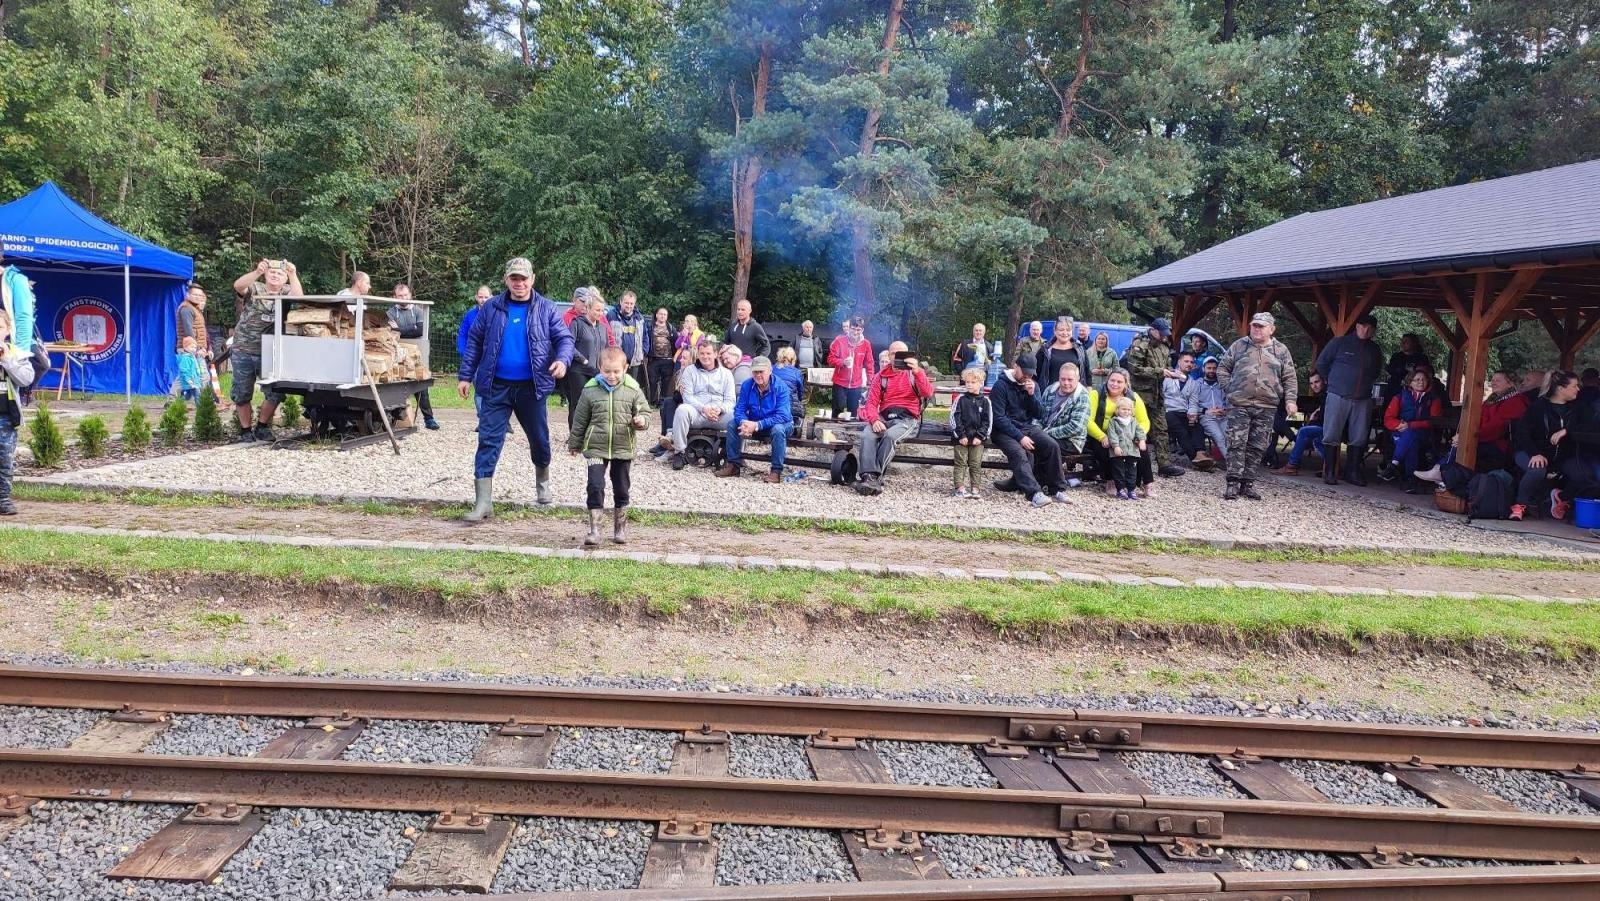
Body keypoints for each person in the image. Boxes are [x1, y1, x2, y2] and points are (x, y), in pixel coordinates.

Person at [457, 257, 573, 521]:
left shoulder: (546, 308)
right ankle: (483, 502)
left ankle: (543, 484)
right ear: (506, 280)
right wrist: (465, 376)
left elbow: (564, 339)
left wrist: (562, 360)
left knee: (539, 439)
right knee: (488, 440)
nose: (519, 283)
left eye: (523, 278)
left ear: (532, 279)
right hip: (496, 386)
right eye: (514, 278)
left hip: (532, 388)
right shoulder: (491, 308)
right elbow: (474, 341)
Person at [569, 346, 650, 545]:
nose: (611, 376)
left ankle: (620, 529)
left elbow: (645, 412)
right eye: (607, 371)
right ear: (599, 368)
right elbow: (580, 419)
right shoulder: (590, 390)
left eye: (616, 371)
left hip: (623, 448)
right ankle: (594, 530)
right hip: (595, 447)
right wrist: (575, 442)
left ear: (625, 368)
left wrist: (641, 421)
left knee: (621, 488)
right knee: (595, 485)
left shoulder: (633, 390)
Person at [1217, 312, 1298, 500]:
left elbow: (1289, 378)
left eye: (1261, 326)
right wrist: (1230, 389)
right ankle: (1232, 483)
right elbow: (1223, 369)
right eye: (1254, 325)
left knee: (1258, 446)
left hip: (1266, 406)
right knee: (1236, 443)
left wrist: (1290, 401)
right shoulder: (1239, 345)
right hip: (1240, 404)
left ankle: (1248, 484)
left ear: (1272, 329)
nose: (1257, 329)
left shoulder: (1281, 350)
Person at [231, 258, 303, 442]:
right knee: (242, 393)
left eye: (280, 273)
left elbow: (299, 297)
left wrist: (293, 274)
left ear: (285, 278)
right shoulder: (255, 288)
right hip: (244, 348)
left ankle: (262, 427)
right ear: (265, 274)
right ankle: (245, 431)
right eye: (272, 272)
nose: (275, 275)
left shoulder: (286, 291)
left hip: (270, 351)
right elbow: (238, 286)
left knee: (275, 392)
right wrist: (257, 272)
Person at [1415, 370, 1529, 484]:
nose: (1493, 383)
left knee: (1463, 446)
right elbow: (1476, 420)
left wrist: (1468, 437)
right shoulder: (1493, 400)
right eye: (1492, 380)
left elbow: (1497, 428)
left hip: (1498, 445)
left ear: (1510, 383)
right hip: (1482, 438)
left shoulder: (1516, 402)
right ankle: (1441, 473)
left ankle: (1441, 473)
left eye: (1498, 380)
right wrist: (1463, 435)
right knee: (1456, 444)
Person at [854, 341, 934, 495]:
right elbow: (871, 403)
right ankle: (868, 477)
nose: (897, 357)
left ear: (908, 355)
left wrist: (917, 371)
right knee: (867, 434)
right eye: (893, 353)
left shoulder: (915, 373)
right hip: (885, 417)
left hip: (907, 419)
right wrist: (875, 420)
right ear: (888, 356)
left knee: (890, 436)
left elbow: (928, 393)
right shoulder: (881, 376)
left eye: (901, 353)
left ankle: (874, 479)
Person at [1314, 313, 1383, 485]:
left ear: (1373, 331)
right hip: (1338, 394)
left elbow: (1376, 371)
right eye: (1363, 326)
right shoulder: (1339, 343)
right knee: (1331, 433)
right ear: (1357, 326)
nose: (1366, 330)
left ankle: (1352, 472)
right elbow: (1321, 363)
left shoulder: (1375, 349)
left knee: (1359, 436)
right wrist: (1332, 381)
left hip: (1362, 398)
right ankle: (1330, 471)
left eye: (1370, 328)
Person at [990, 355, 1066, 507]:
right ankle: (1034, 494)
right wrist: (1020, 437)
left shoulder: (1033, 386)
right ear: (1015, 366)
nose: (1027, 376)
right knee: (1019, 453)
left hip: (1027, 426)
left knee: (1051, 445)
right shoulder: (1000, 386)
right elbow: (999, 418)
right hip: (1002, 431)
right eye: (1024, 372)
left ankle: (1058, 489)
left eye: (1031, 374)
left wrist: (1031, 396)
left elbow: (1040, 414)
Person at [1509, 370, 1580, 522]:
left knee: (1582, 474)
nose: (1578, 389)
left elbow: (1586, 425)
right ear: (1560, 389)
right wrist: (1534, 453)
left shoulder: (1576, 408)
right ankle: (1519, 504)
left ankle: (1560, 497)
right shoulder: (1539, 406)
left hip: (1559, 457)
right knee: (1537, 470)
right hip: (1529, 452)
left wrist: (1566, 431)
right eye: (1574, 386)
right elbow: (1522, 433)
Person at [0, 258, 39, 516]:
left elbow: (26, 377)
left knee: (4, 459)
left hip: (5, 413)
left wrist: (9, 358)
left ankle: (3, 498)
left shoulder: (15, 280)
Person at [1123, 317, 1185, 477]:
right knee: (1135, 429)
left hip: (1157, 394)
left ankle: (1165, 465)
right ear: (1153, 330)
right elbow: (1134, 368)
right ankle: (1129, 463)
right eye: (1161, 333)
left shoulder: (1164, 346)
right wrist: (1159, 372)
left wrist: (1173, 372)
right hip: (1140, 395)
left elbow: (1166, 365)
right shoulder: (1140, 344)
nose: (1164, 336)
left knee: (1161, 429)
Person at [717, 355, 792, 483]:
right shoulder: (747, 385)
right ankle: (733, 465)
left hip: (780, 423)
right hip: (754, 422)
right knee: (732, 424)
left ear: (770, 371)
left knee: (778, 430)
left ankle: (776, 471)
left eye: (761, 372)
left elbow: (782, 416)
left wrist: (757, 425)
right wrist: (744, 422)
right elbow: (739, 409)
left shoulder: (781, 387)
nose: (758, 375)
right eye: (755, 372)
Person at [667, 339, 737, 470]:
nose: (705, 356)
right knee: (682, 410)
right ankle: (679, 453)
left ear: (715, 354)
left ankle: (734, 457)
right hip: (697, 412)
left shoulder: (726, 374)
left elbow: (730, 400)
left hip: (719, 414)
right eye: (702, 353)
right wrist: (704, 408)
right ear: (698, 355)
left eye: (708, 353)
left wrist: (720, 409)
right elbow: (687, 397)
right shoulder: (690, 371)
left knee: (738, 417)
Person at [1086, 369, 1154, 495]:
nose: (1115, 384)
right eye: (1112, 380)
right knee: (1105, 448)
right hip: (1101, 434)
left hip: (1128, 434)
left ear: (1126, 384)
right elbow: (1087, 421)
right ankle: (1111, 480)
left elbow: (1144, 421)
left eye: (1119, 382)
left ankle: (1147, 484)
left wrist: (1139, 437)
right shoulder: (1096, 394)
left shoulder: (1133, 397)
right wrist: (1102, 436)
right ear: (1107, 381)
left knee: (1141, 449)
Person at [1380, 370, 1443, 492]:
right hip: (1400, 432)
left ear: (1428, 381)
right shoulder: (1400, 397)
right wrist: (1399, 425)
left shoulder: (1434, 399)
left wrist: (1410, 425)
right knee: (1411, 443)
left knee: (1411, 435)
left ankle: (1393, 465)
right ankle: (1411, 480)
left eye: (1424, 379)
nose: (1421, 382)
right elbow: (1388, 419)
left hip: (1423, 434)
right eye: (1417, 380)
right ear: (1410, 382)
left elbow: (1433, 421)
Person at [387, 283, 438, 431]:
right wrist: (410, 328)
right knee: (396, 385)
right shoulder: (390, 312)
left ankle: (429, 418)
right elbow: (392, 332)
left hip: (416, 352)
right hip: (397, 352)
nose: (403, 298)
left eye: (405, 295)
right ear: (394, 297)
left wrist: (399, 329)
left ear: (410, 295)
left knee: (421, 386)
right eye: (400, 296)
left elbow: (419, 331)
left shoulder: (418, 311)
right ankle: (398, 419)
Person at [566, 289, 614, 427]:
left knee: (595, 404)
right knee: (578, 403)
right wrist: (583, 359)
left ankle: (590, 433)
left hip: (597, 372)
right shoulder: (576, 323)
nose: (600, 313)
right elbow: (568, 345)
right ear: (587, 308)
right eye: (597, 310)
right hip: (579, 370)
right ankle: (575, 434)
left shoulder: (602, 328)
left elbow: (606, 348)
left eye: (602, 310)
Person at [1039, 361, 1091, 471]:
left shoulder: (1082, 396)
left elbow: (1076, 427)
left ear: (1077, 379)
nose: (1066, 383)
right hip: (1045, 433)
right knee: (1027, 442)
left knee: (1042, 445)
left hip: (1071, 441)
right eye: (1063, 379)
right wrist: (1036, 430)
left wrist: (1046, 434)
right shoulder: (1050, 390)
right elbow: (1039, 415)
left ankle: (1045, 477)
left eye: (1070, 380)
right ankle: (1025, 477)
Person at [1272, 372, 1327, 476]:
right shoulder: (1322, 396)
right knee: (1307, 433)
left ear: (1323, 381)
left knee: (1303, 431)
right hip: (1325, 428)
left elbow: (1324, 420)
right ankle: (1330, 467)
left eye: (1316, 382)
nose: (1314, 386)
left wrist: (1313, 419)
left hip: (1330, 429)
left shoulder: (1327, 395)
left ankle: (1291, 466)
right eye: (1311, 383)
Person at [950, 367, 992, 499]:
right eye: (967, 382)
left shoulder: (985, 401)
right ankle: (959, 488)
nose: (969, 385)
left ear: (981, 383)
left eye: (973, 382)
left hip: (977, 439)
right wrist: (960, 435)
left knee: (975, 463)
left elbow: (988, 421)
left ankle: (975, 487)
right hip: (960, 438)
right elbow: (954, 418)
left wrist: (980, 436)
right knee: (960, 462)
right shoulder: (960, 399)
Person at [1184, 356, 1228, 468]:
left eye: (1214, 368)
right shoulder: (1196, 384)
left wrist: (1225, 410)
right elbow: (1191, 403)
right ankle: (1232, 464)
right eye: (1209, 368)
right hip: (1207, 417)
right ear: (1203, 369)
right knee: (1219, 436)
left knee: (1231, 437)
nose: (1212, 371)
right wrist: (1206, 410)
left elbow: (1229, 400)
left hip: (1223, 416)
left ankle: (1236, 461)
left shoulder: (1222, 384)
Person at [456, 285, 494, 414]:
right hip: (476, 359)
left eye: (486, 297)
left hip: (493, 358)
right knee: (480, 391)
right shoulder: (470, 315)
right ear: (476, 297)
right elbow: (462, 334)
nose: (483, 300)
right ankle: (484, 419)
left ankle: (497, 419)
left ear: (492, 297)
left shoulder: (497, 314)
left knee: (495, 391)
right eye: (481, 297)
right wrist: (464, 352)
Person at [828, 316, 873, 418]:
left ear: (862, 330)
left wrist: (870, 380)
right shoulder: (839, 341)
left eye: (858, 330)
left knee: (853, 412)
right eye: (853, 329)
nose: (855, 332)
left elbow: (869, 363)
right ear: (849, 328)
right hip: (839, 382)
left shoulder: (866, 344)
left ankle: (850, 429)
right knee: (837, 410)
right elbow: (830, 359)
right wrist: (842, 362)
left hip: (856, 384)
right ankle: (834, 427)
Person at [1105, 396, 1148, 500]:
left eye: (1128, 409)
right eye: (1123, 409)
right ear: (1117, 410)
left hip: (1132, 451)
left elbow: (1139, 431)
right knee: (1118, 471)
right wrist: (1115, 446)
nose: (1126, 411)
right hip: (1118, 451)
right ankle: (1120, 489)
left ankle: (1131, 490)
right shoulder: (1113, 422)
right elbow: (1112, 435)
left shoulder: (1134, 421)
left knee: (1132, 471)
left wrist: (1142, 440)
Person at [1163, 352, 1202, 464]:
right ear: (1179, 362)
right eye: (1186, 361)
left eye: (1191, 362)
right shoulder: (1168, 377)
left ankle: (1201, 453)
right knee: (1181, 430)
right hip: (1168, 411)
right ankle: (1194, 457)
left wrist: (1192, 414)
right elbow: (1161, 395)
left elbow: (1193, 402)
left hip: (1184, 411)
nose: (1189, 364)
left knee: (1197, 426)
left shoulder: (1193, 383)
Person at [608, 290, 648, 390]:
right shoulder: (611, 315)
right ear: (621, 302)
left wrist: (643, 352)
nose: (629, 306)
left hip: (634, 361)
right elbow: (605, 335)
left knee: (630, 387)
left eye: (631, 303)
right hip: (616, 359)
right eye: (626, 303)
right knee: (616, 386)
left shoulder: (639, 318)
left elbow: (645, 337)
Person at [1036, 319, 1082, 390]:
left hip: (1075, 393)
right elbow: (1036, 373)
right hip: (1050, 392)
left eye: (1068, 330)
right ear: (1055, 331)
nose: (1065, 333)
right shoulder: (1045, 350)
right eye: (1061, 330)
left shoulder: (1079, 349)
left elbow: (1086, 374)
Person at [1384, 332, 1430, 403]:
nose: (1403, 343)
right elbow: (1390, 370)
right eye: (1402, 341)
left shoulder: (1421, 358)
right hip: (1395, 388)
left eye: (1406, 341)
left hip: (1414, 390)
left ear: (1414, 344)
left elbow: (1427, 372)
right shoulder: (1396, 356)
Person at [645, 307, 676, 406]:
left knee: (666, 382)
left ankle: (663, 402)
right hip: (653, 359)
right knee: (652, 381)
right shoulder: (650, 326)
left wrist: (675, 356)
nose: (663, 316)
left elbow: (675, 342)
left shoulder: (671, 328)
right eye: (661, 314)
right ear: (656, 315)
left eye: (665, 314)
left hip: (668, 359)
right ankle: (652, 401)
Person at [773, 346, 807, 426]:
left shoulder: (771, 369)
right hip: (789, 406)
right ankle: (794, 427)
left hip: (771, 405)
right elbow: (800, 393)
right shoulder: (796, 372)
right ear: (792, 359)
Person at [176, 284, 210, 358]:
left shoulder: (195, 308)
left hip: (196, 349)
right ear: (188, 295)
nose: (198, 297)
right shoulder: (186, 308)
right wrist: (197, 349)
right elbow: (188, 331)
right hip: (189, 349)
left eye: (200, 295)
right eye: (195, 295)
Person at [176, 336, 206, 403]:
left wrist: (200, 371)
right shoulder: (185, 358)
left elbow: (196, 367)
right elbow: (184, 370)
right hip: (189, 382)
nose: (194, 349)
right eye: (192, 347)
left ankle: (181, 399)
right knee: (197, 395)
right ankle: (200, 407)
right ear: (185, 347)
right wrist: (189, 380)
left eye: (195, 347)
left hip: (195, 381)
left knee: (189, 396)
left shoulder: (192, 357)